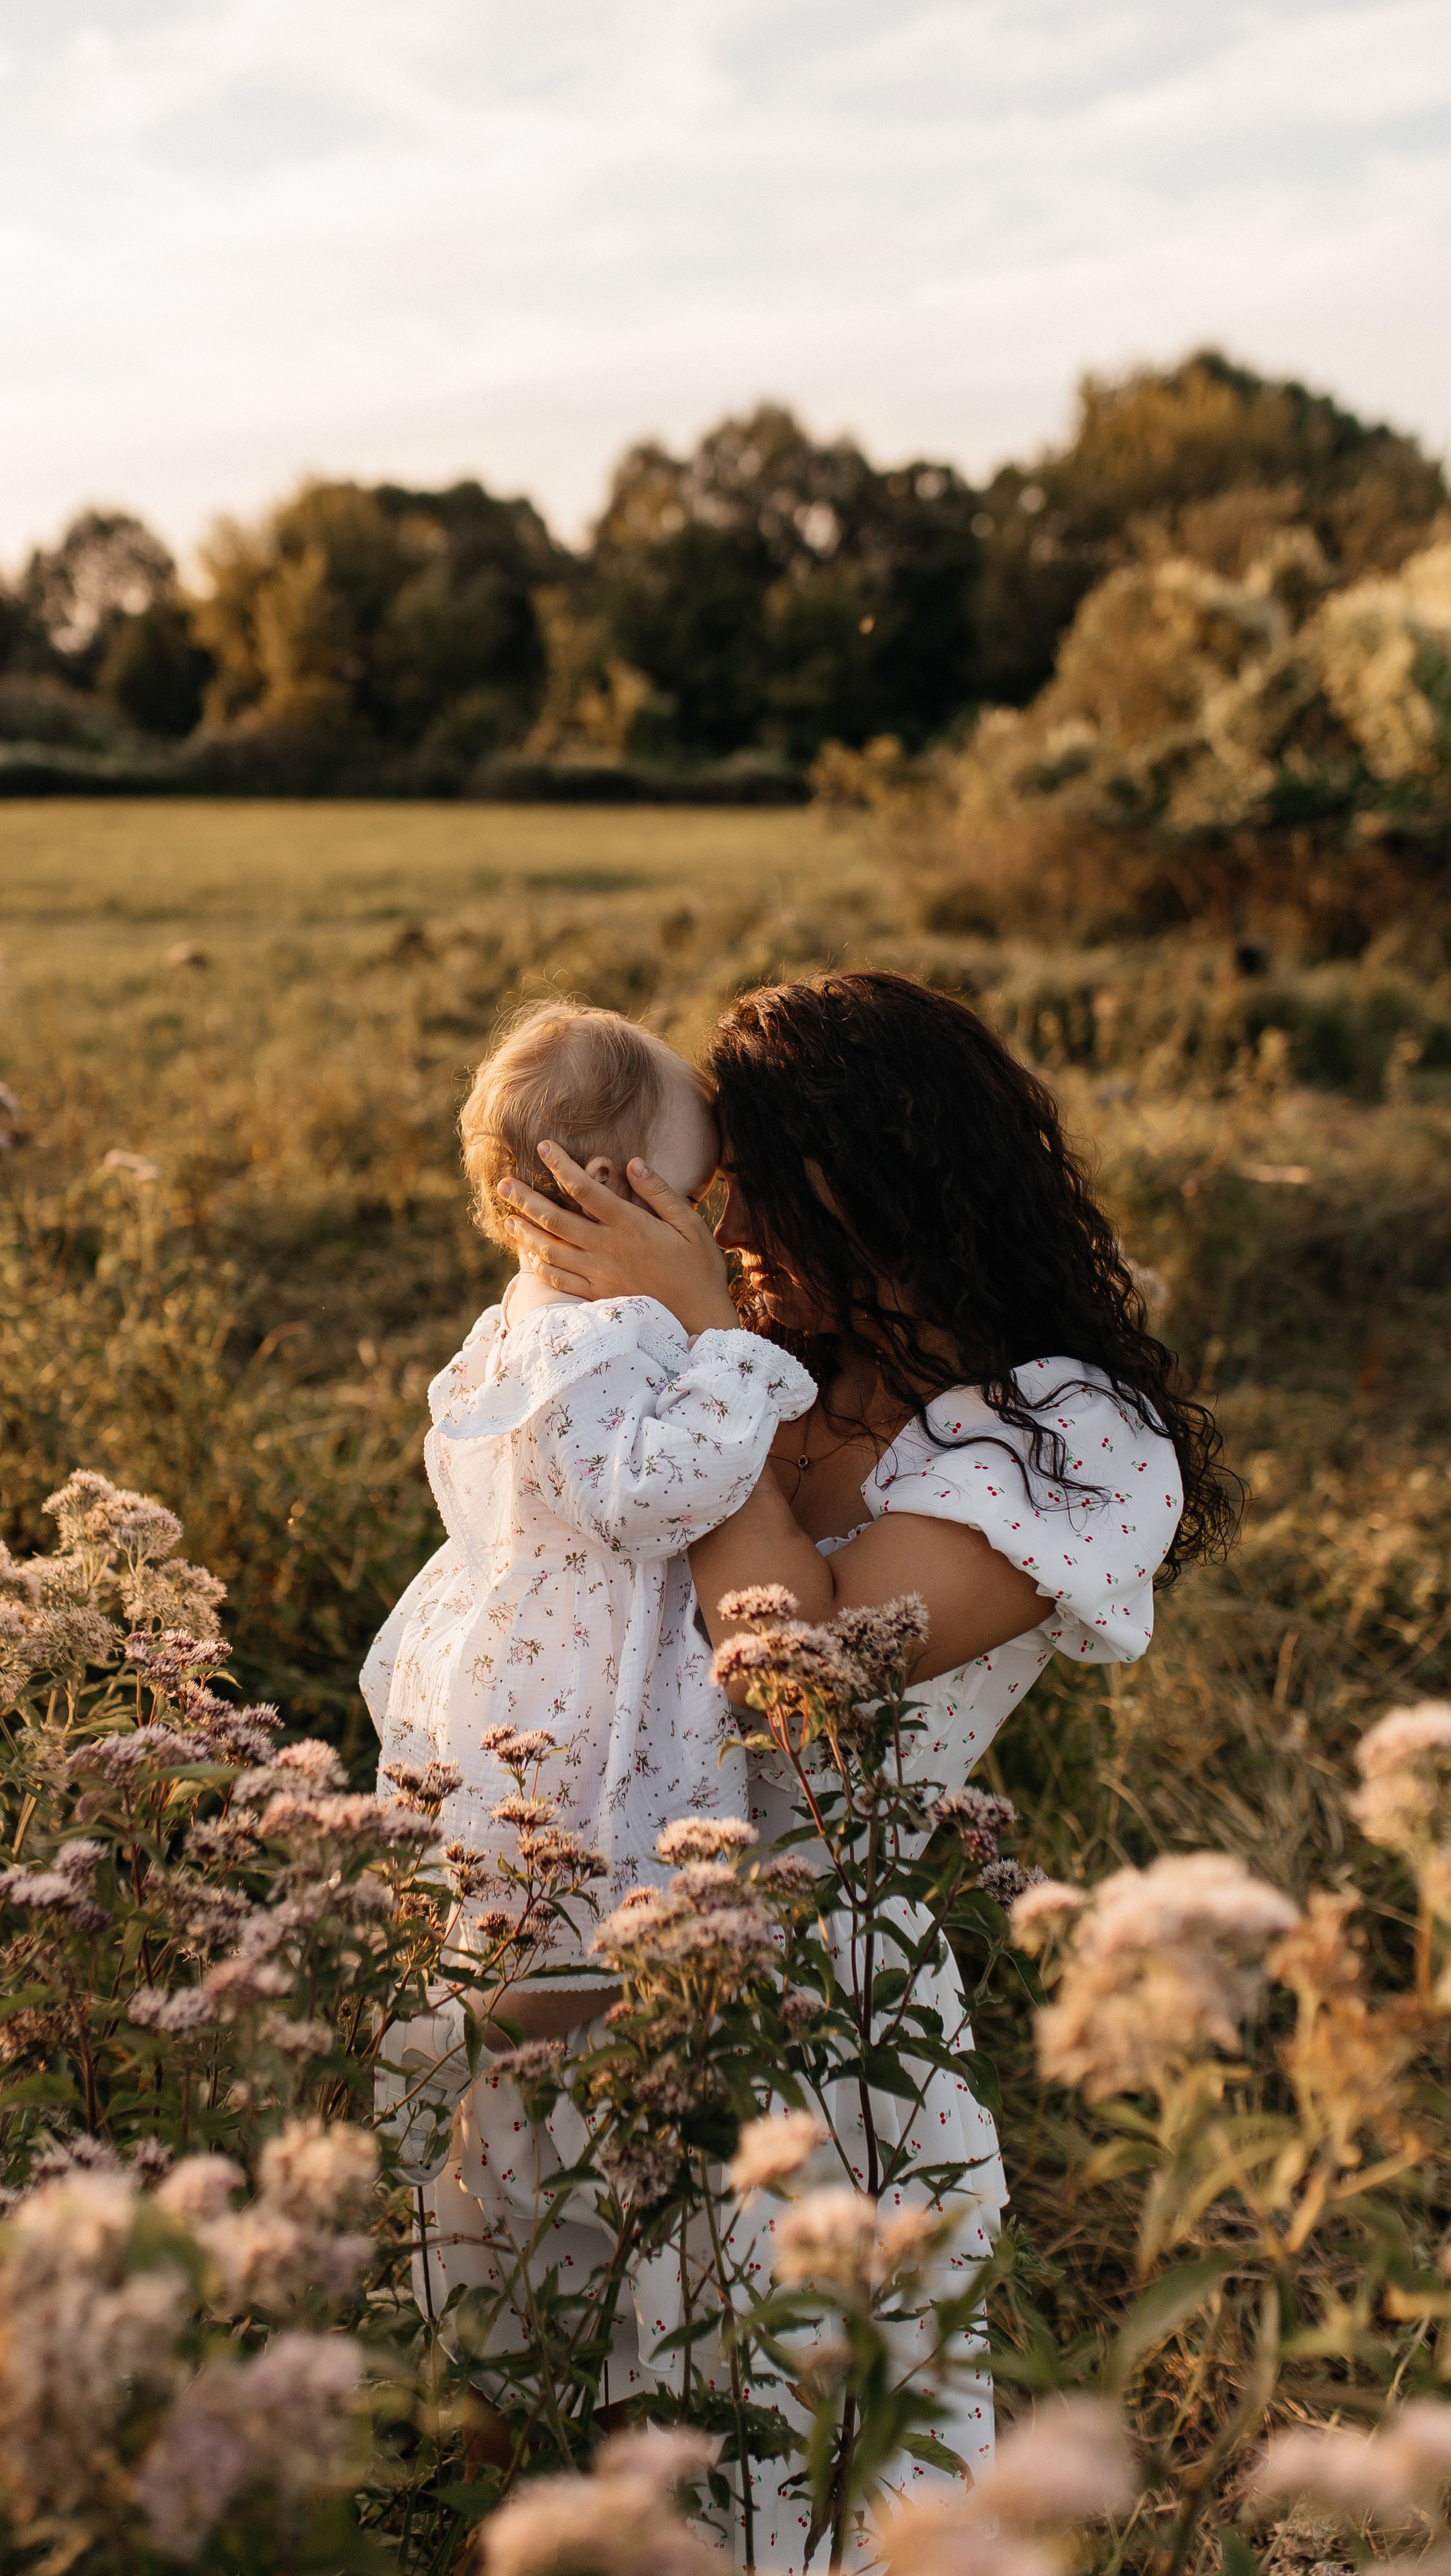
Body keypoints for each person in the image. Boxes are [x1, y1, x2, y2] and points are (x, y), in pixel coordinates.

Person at [494, 967, 1234, 2564]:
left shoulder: (1061, 1434)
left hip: (821, 2028)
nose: (728, 1216)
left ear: (878, 1174)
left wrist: (708, 1346)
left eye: (759, 1173)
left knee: (807, 2476)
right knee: (547, 2447)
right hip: (560, 1947)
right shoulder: (738, 1357)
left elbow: (796, 1670)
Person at [360, 1000, 817, 2373]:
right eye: (694, 1184)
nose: (719, 1203)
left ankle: (508, 2150)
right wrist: (731, 1344)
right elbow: (648, 1496)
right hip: (581, 1678)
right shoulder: (613, 1338)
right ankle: (556, 2132)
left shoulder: (518, 1320)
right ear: (603, 1200)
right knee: (596, 1902)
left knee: (522, 1924)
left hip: (510, 1646)